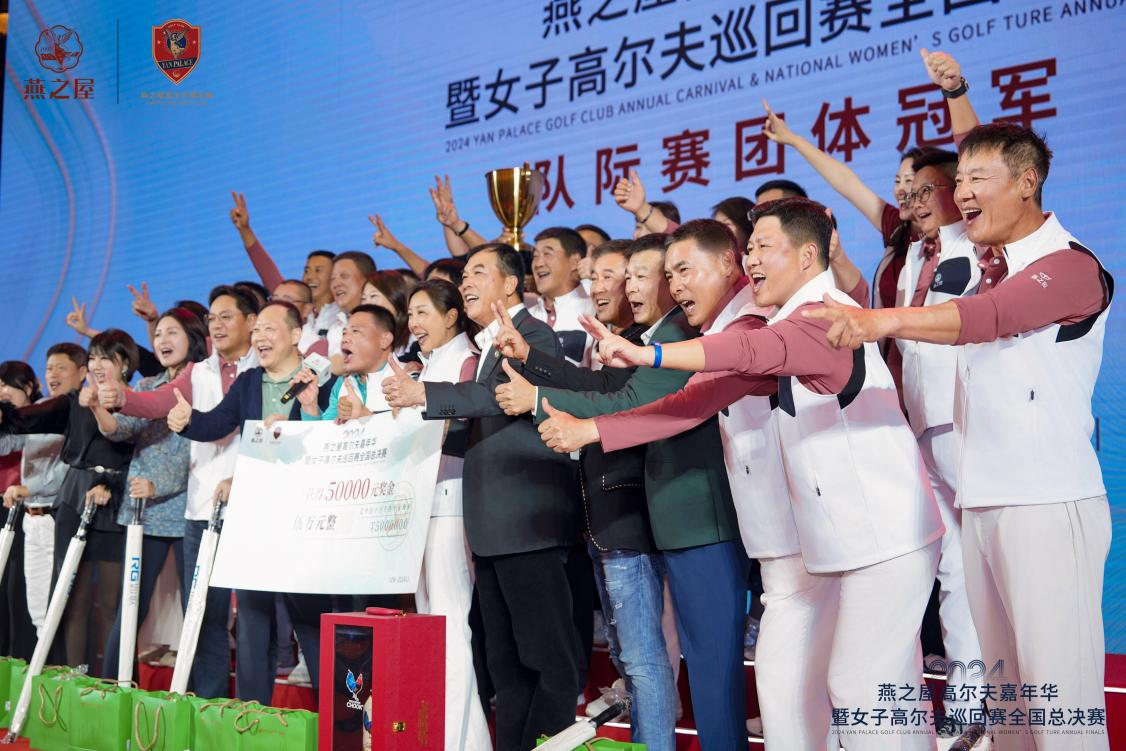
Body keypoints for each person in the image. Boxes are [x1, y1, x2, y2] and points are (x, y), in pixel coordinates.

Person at [546, 199, 946, 749]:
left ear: (807, 254)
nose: (750, 259)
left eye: (762, 248)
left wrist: (650, 356)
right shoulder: (778, 324)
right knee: (796, 689)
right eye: (749, 247)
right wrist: (590, 430)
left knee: (860, 687)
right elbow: (699, 398)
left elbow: (750, 349)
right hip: (829, 545)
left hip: (885, 537)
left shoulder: (822, 317)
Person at [806, 123, 1114, 751]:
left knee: (1060, 704)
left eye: (977, 178)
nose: (963, 192)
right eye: (961, 178)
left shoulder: (1071, 266)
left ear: (1027, 183)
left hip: (1047, 504)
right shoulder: (982, 267)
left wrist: (878, 321)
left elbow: (988, 319)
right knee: (1010, 706)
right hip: (983, 502)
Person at [500, 230, 751, 749]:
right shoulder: (652, 337)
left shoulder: (687, 332)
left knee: (697, 667)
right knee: (691, 666)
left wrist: (549, 404)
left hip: (696, 515)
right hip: (672, 516)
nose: (630, 287)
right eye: (628, 276)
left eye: (646, 275)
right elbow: (612, 390)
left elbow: (629, 401)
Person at [382, 243, 582, 751]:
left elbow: (493, 397)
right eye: (464, 274)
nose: (465, 282)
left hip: (528, 523)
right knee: (506, 663)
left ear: (510, 284)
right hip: (493, 527)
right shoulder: (492, 345)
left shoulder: (534, 335)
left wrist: (424, 394)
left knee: (547, 659)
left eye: (477, 272)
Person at [492, 236, 682, 751]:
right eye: (598, 277)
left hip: (628, 517)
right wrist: (531, 357)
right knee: (629, 658)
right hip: (603, 517)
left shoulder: (657, 345)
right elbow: (594, 388)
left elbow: (611, 400)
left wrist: (536, 394)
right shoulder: (623, 340)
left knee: (642, 660)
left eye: (622, 277)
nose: (606, 287)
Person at [167, 300, 335, 707]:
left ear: (296, 335)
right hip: (255, 514)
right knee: (253, 621)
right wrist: (188, 421)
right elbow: (217, 423)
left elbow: (331, 440)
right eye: (256, 330)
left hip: (304, 515)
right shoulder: (248, 382)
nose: (259, 337)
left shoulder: (322, 380)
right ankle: (249, 714)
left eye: (269, 329)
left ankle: (335, 719)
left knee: (310, 620)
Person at [100, 284, 261, 698]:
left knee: (254, 617)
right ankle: (207, 703)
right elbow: (157, 403)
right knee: (202, 616)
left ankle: (252, 708)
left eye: (227, 316)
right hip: (201, 508)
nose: (218, 325)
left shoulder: (263, 367)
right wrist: (121, 398)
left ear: (251, 322)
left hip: (253, 505)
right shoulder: (198, 372)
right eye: (212, 318)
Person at [0, 330, 142, 673]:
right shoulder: (72, 401)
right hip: (73, 497)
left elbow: (135, 448)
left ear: (124, 363)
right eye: (92, 358)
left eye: (105, 358)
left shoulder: (139, 399)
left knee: (110, 603)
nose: (96, 365)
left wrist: (111, 484)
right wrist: (6, 413)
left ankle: (110, 685)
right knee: (71, 598)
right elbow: (32, 416)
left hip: (114, 499)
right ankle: (74, 680)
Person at [402, 280, 494, 751]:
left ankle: (460, 741)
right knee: (431, 626)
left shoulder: (466, 361)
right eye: (410, 314)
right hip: (420, 504)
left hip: (450, 503)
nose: (413, 322)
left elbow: (461, 425)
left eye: (422, 312)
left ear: (451, 316)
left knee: (451, 625)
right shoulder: (425, 365)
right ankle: (452, 738)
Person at [93, 308, 208, 678]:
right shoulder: (146, 385)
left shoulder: (203, 382)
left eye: (171, 333)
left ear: (193, 338)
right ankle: (114, 685)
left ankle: (193, 692)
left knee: (196, 609)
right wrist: (97, 406)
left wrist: (161, 485)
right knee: (131, 605)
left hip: (189, 508)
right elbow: (119, 429)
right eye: (158, 334)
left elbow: (197, 449)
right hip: (145, 510)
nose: (162, 340)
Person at [0, 346, 83, 645]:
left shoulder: (75, 411)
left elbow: (70, 468)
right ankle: (41, 669)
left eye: (61, 368)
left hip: (55, 517)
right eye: (49, 368)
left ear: (82, 372)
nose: (53, 374)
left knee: (59, 605)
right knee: (36, 607)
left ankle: (62, 667)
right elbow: (9, 444)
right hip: (30, 518)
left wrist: (29, 488)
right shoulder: (41, 409)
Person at [0, 362, 46, 658]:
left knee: (18, 589)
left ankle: (20, 659)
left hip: (24, 507)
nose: (2, 391)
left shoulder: (41, 415)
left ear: (28, 387)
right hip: (5, 506)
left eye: (7, 384)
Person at [528, 227, 596, 366]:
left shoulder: (595, 309)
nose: (538, 263)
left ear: (574, 262)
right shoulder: (526, 317)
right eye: (535, 255)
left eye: (547, 253)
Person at [326, 251, 377, 356]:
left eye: (344, 276)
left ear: (367, 280)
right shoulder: (334, 330)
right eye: (332, 279)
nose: (336, 284)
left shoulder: (383, 323)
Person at [361, 270, 415, 355]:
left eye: (373, 296)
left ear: (394, 296)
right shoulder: (366, 337)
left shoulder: (415, 334)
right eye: (363, 298)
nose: (366, 304)